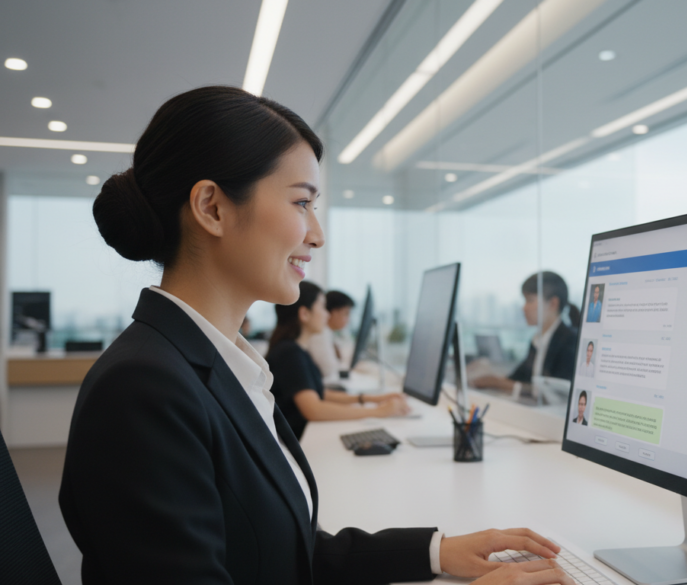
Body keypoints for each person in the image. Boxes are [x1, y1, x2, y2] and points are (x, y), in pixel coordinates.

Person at [59, 86, 570, 585]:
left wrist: (436, 550)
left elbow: (289, 552)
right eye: (301, 203)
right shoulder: (143, 390)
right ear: (212, 207)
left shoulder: (221, 367)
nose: (317, 233)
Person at [267, 281, 408, 438]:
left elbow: (318, 393)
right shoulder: (289, 353)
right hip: (298, 442)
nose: (327, 315)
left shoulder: (296, 350)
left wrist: (374, 399)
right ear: (304, 314)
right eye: (322, 307)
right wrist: (379, 411)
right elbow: (314, 409)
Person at [472, 271, 579, 398]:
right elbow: (519, 377)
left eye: (530, 300)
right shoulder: (537, 340)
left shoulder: (570, 341)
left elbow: (554, 394)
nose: (524, 308)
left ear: (553, 304)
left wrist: (497, 382)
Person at [306, 289, 355, 386]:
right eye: (346, 314)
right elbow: (328, 369)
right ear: (333, 312)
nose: (348, 320)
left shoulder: (328, 333)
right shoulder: (320, 333)